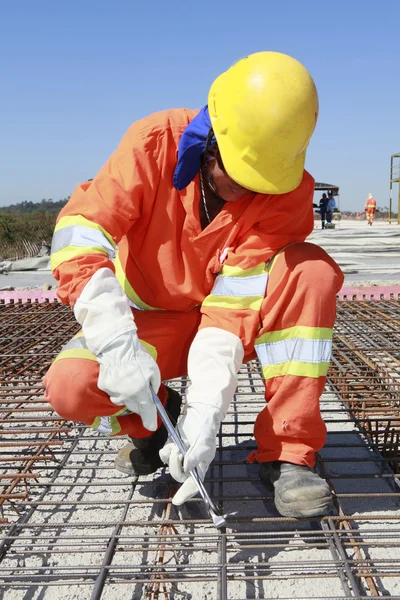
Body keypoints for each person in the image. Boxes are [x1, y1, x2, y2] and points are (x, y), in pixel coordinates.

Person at [43, 51, 343, 519]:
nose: (250, 193)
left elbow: (232, 310)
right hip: (154, 322)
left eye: (262, 182)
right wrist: (115, 338)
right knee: (71, 385)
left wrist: (205, 414)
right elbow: (79, 235)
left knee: (310, 271)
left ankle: (287, 450)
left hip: (235, 325)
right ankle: (154, 422)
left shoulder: (286, 192)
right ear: (209, 145)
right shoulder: (153, 144)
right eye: (241, 177)